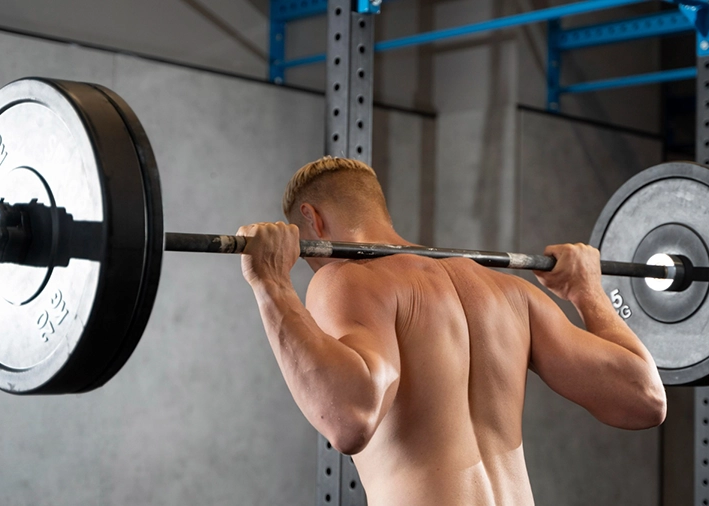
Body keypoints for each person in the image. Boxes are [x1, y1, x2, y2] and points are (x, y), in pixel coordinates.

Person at [237, 156, 666, 506]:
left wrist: (272, 285)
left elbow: (349, 419)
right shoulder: (512, 292)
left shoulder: (347, 280)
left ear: (312, 220)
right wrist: (588, 293)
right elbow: (644, 398)